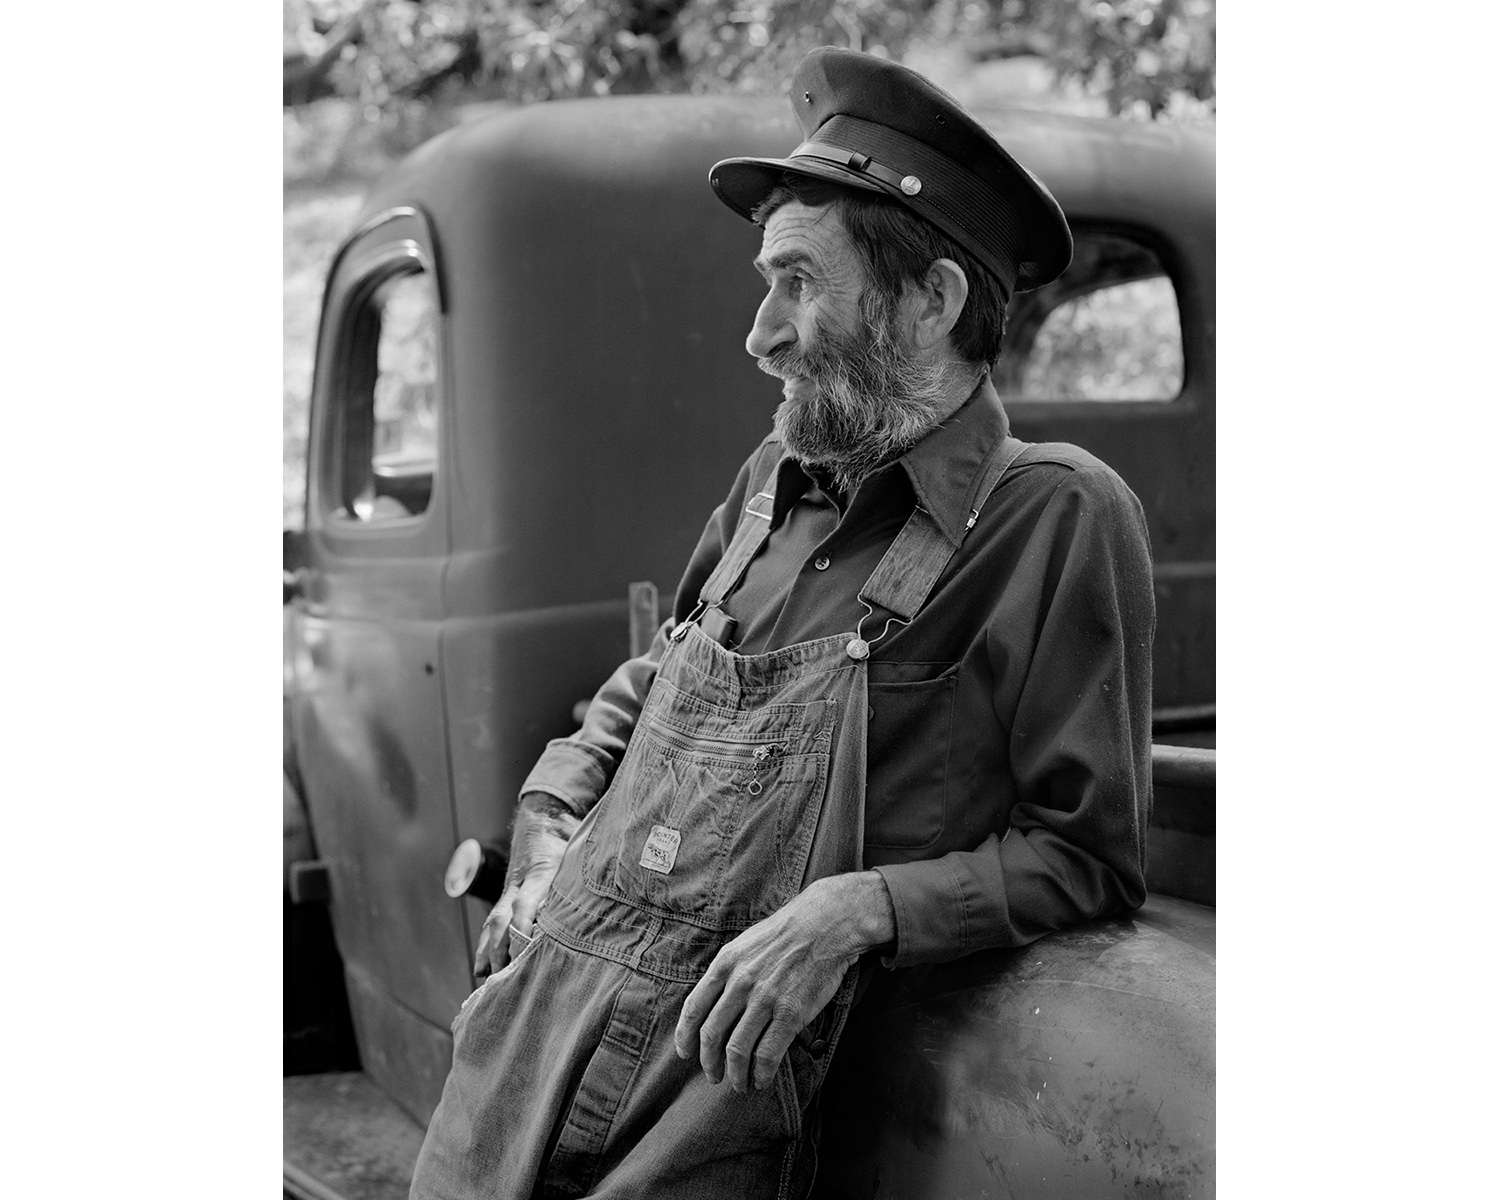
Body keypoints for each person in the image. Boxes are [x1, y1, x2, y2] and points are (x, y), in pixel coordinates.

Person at [410, 45, 1154, 1200]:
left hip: (711, 1093)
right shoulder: (773, 479)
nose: (759, 333)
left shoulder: (1055, 515)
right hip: (530, 1036)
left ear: (933, 300)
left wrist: (858, 910)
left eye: (798, 282)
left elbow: (1085, 857)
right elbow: (651, 685)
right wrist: (552, 814)